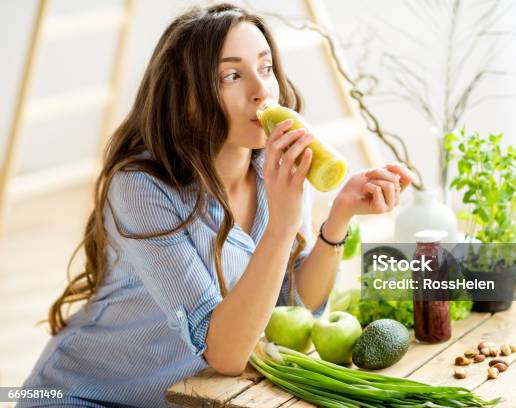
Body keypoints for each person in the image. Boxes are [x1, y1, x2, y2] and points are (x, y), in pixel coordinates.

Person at [18, 4, 411, 407]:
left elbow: (291, 307)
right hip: (84, 395)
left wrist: (339, 215)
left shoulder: (272, 169)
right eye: (232, 76)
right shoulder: (141, 190)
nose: (261, 90)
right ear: (189, 98)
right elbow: (224, 354)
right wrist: (282, 224)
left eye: (266, 67)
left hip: (183, 398)